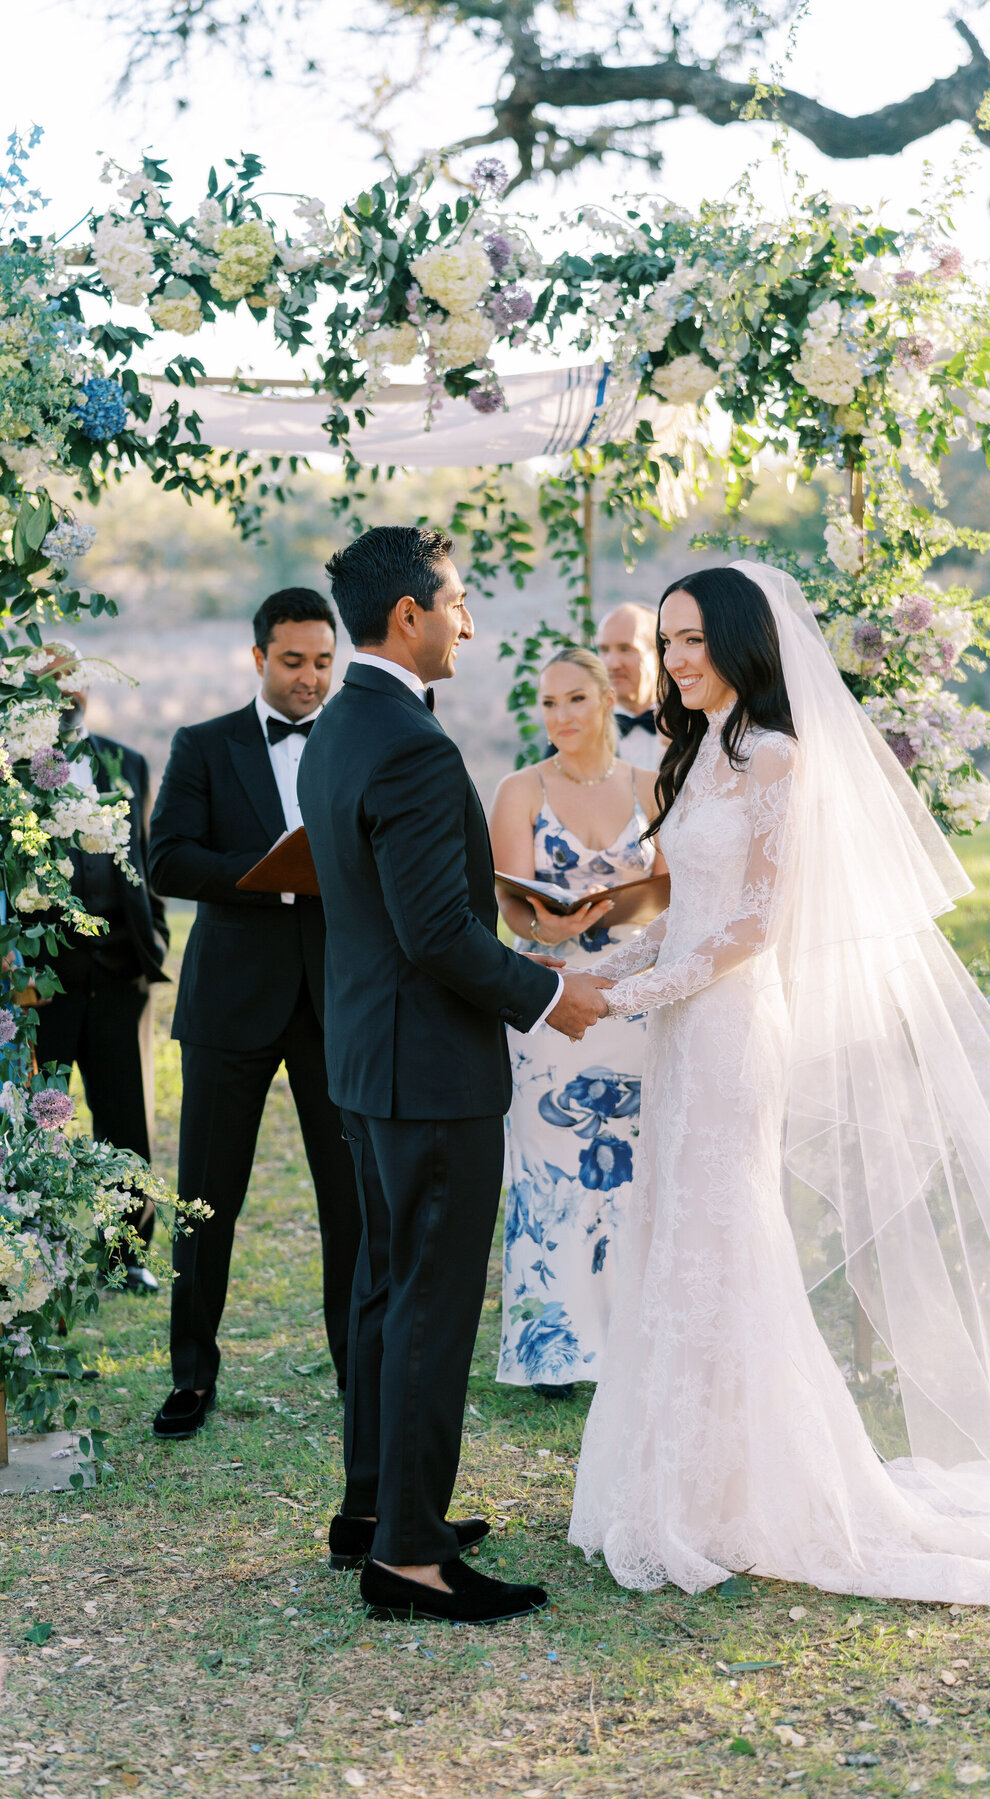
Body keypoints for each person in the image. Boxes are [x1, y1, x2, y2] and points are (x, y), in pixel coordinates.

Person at [569, 560, 990, 1662]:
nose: (675, 659)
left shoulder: (776, 754)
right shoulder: (686, 754)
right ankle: (680, 1478)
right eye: (664, 641)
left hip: (732, 1027)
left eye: (692, 639)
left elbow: (755, 924)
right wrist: (575, 965)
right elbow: (683, 913)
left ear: (744, 643)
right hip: (681, 1030)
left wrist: (629, 991)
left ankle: (747, 1493)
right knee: (675, 1233)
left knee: (728, 1238)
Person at [298, 524, 610, 1629]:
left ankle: (373, 1509)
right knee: (428, 1302)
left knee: (386, 1289)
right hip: (430, 1069)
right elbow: (435, 933)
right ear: (410, 616)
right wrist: (546, 991)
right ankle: (412, 1559)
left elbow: (399, 902)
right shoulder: (415, 744)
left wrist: (507, 902)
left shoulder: (342, 724)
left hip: (367, 1058)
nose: (469, 621)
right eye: (458, 600)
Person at [147, 587, 361, 1440]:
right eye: (293, 661)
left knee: (348, 1201)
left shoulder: (353, 738)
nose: (310, 678)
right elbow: (166, 858)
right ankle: (192, 1376)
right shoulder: (202, 744)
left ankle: (358, 1367)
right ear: (258, 657)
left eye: (322, 660)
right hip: (230, 1004)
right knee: (206, 1200)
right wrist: (269, 873)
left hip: (334, 1001)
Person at [490, 648, 665, 1402]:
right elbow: (509, 903)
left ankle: (634, 1335)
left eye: (575, 700)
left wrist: (628, 913)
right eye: (549, 703)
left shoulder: (654, 786)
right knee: (548, 1165)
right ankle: (551, 1347)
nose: (560, 716)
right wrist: (555, 932)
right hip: (550, 997)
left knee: (633, 1163)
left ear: (607, 700)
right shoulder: (519, 788)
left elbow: (675, 891)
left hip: (633, 996)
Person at [34, 679, 169, 1294]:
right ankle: (37, 1254)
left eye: (69, 679)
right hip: (43, 986)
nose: (62, 692)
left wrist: (155, 940)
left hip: (122, 975)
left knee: (127, 1120)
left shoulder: (130, 762)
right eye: (45, 681)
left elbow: (144, 858)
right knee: (39, 1121)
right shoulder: (11, 771)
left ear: (85, 685)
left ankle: (126, 1257)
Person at [596, 603, 664, 770]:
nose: (612, 664)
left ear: (658, 656)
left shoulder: (691, 725)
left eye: (625, 649)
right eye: (604, 650)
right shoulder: (583, 726)